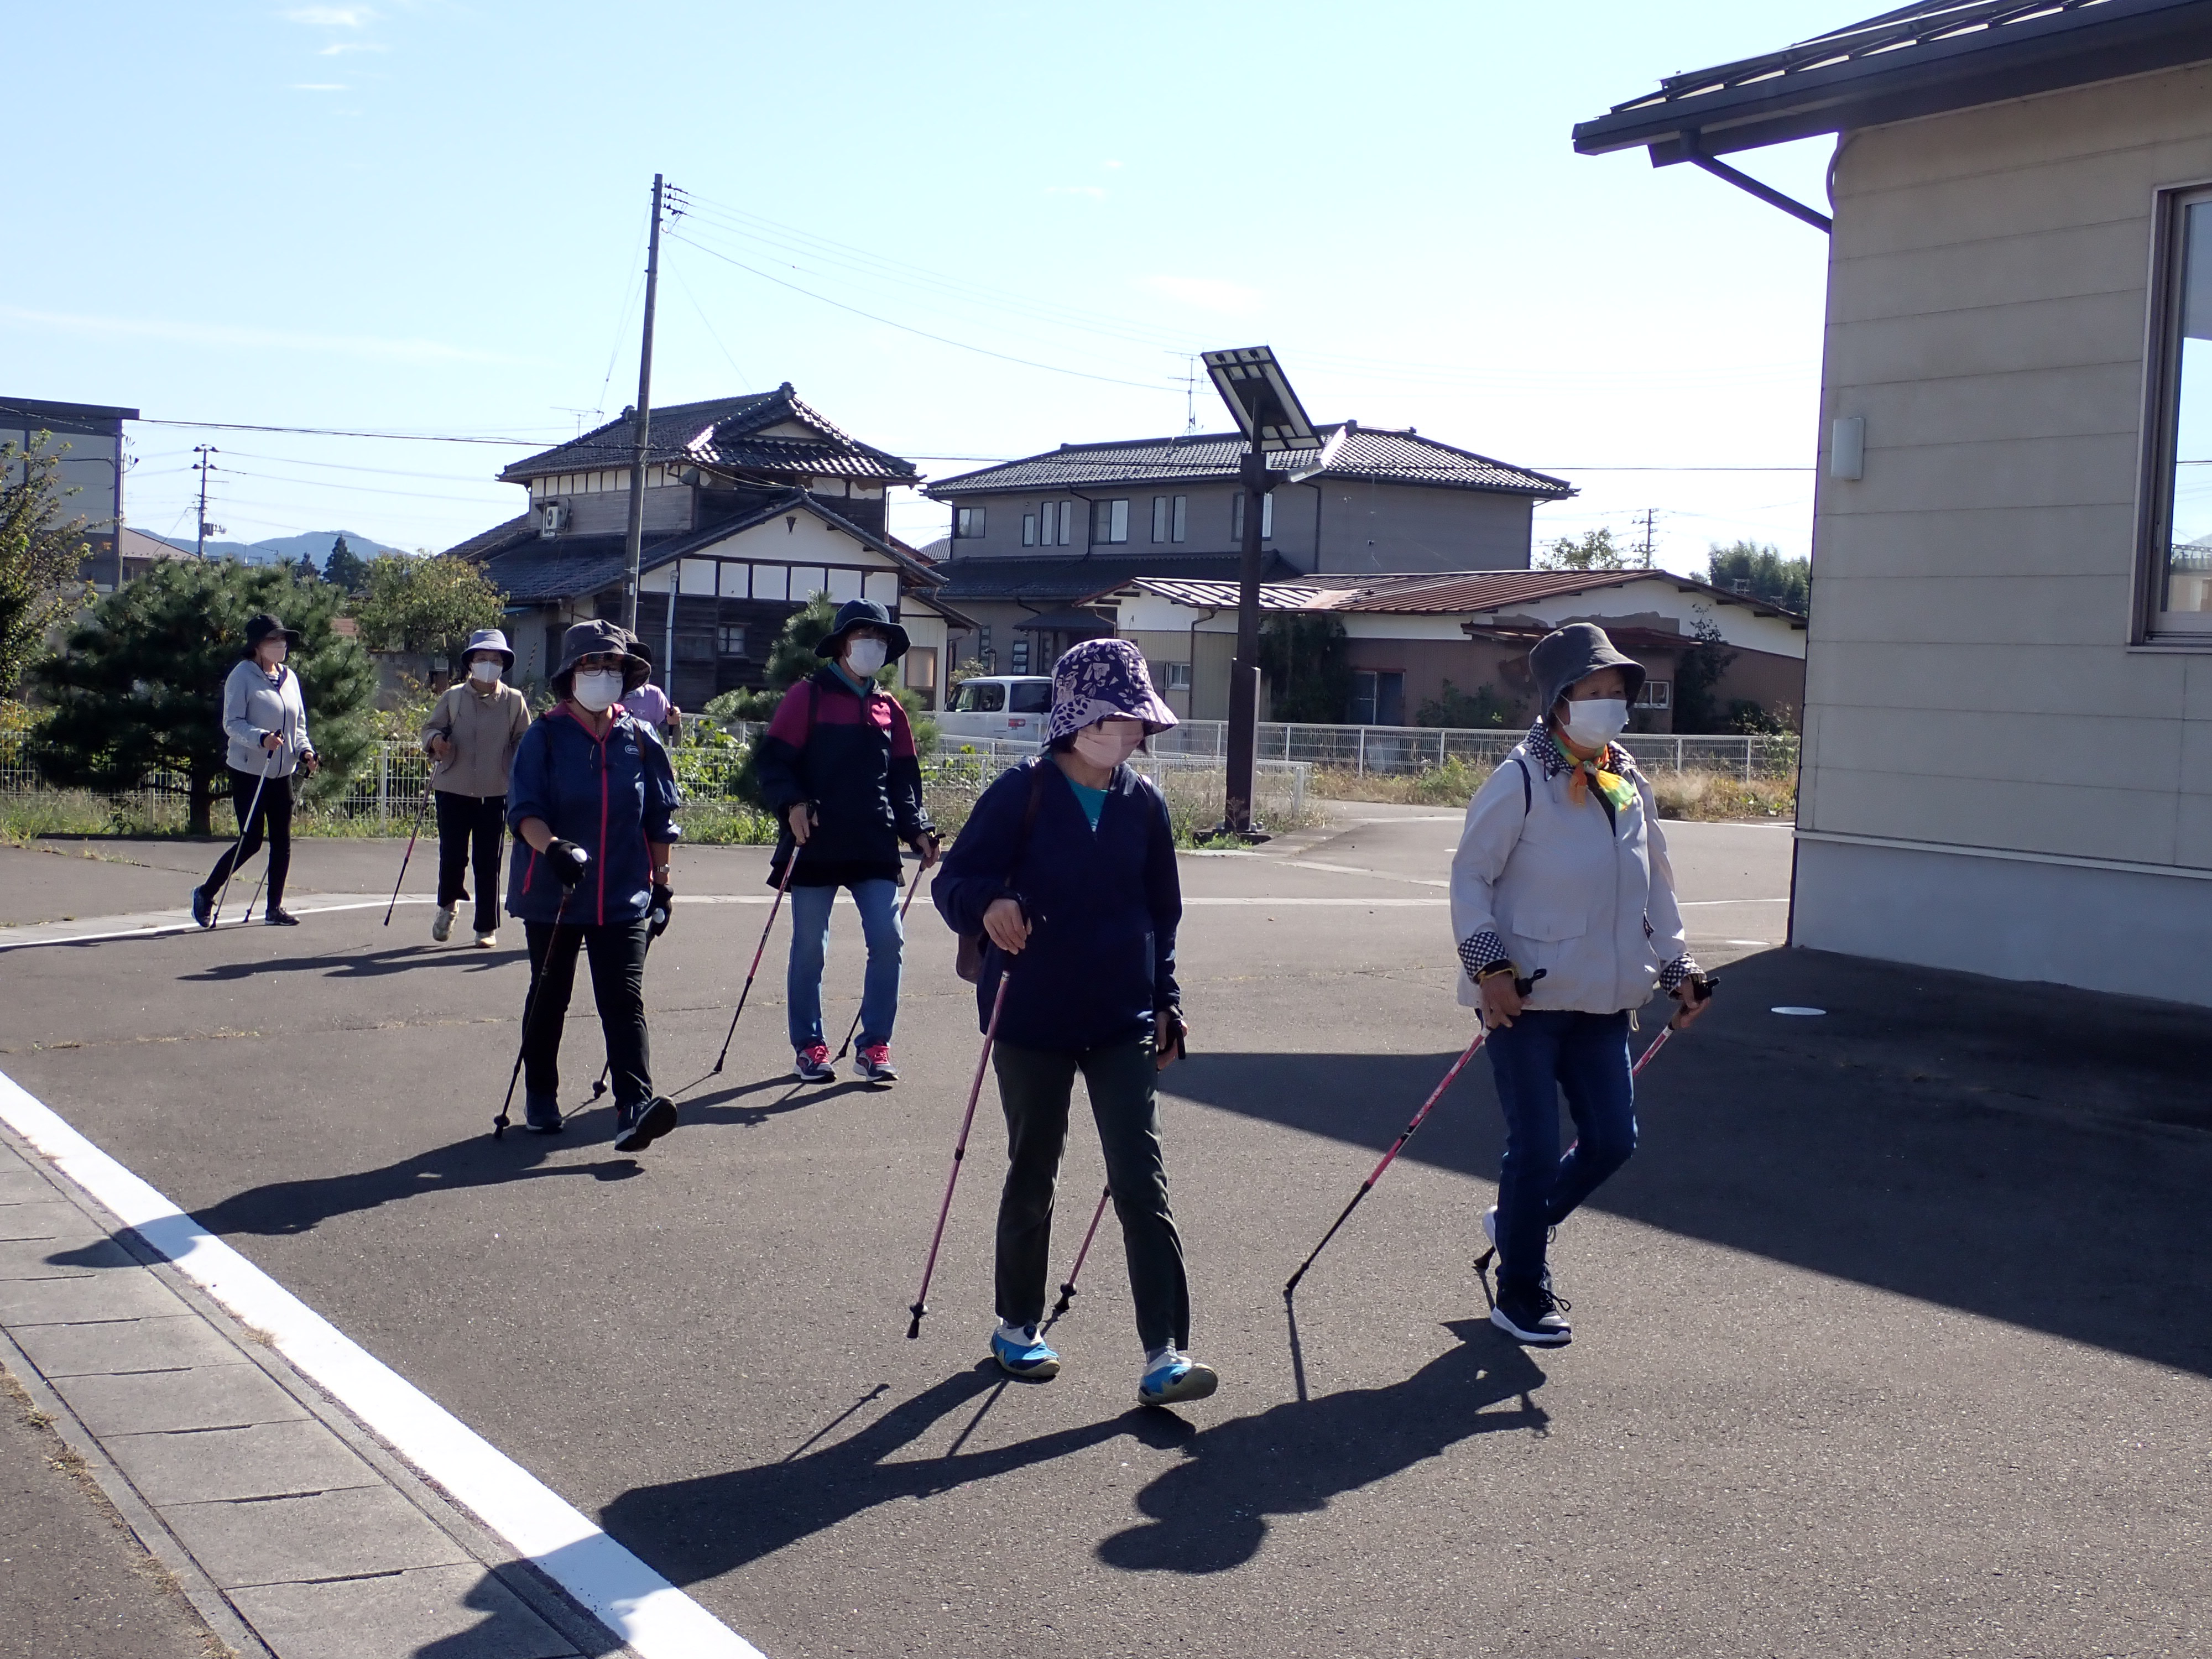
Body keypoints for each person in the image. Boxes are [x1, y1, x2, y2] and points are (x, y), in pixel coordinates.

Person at [931, 638, 1212, 1408]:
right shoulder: (1019, 792)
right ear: (1075, 721)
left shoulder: (1144, 805)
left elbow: (1163, 915)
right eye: (1110, 721)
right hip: (1028, 1015)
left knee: (1140, 1181)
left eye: (1133, 723)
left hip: (1122, 1016)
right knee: (1034, 1169)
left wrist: (1167, 1001)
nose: (1123, 737)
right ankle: (1016, 1325)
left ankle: (1167, 1353)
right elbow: (956, 881)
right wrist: (988, 905)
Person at [1449, 622, 1715, 1349]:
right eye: (1592, 693)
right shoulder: (1520, 781)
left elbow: (1654, 882)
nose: (1608, 706)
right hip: (1525, 999)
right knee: (1533, 1148)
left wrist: (1680, 966)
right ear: (1558, 702)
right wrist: (1487, 966)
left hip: (1604, 998)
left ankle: (1517, 1225)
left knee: (1611, 1142)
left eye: (1616, 694)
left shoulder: (1627, 782)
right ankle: (1521, 1290)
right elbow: (1470, 876)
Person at [503, 620, 682, 1151]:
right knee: (550, 994)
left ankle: (634, 1106)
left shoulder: (641, 738)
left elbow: (659, 817)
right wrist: (553, 847)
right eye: (592, 665)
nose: (604, 675)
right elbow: (524, 811)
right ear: (571, 675)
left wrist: (663, 885)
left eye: (613, 667)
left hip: (624, 891)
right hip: (553, 890)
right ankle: (541, 1094)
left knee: (624, 999)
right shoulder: (545, 736)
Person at [754, 598, 938, 1086]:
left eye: (881, 639)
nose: (873, 647)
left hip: (874, 842)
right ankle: (810, 1047)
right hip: (814, 839)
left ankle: (875, 1044)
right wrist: (792, 803)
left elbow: (904, 783)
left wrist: (917, 828)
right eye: (863, 637)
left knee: (889, 939)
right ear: (841, 645)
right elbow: (773, 764)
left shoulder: (890, 710)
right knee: (810, 947)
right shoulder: (806, 696)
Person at [192, 613, 319, 928]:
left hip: (281, 771)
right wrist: (261, 739)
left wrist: (305, 751)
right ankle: (206, 893)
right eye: (273, 640)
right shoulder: (242, 676)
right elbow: (232, 724)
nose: (281, 645)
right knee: (251, 841)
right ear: (257, 646)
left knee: (282, 840)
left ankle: (274, 908)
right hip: (250, 769)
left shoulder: (290, 678)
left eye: (283, 639)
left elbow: (298, 724)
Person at [421, 628, 530, 948]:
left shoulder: (514, 701)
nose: (488, 664)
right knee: (452, 856)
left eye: (494, 660)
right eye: (481, 658)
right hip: (451, 787)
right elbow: (429, 728)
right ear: (470, 663)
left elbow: (526, 741)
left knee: (488, 861)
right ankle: (447, 907)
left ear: (503, 665)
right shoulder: (453, 697)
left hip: (495, 792)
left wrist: (516, 768)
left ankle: (486, 927)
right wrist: (436, 741)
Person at [621, 679, 684, 743]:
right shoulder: (611, 694)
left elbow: (673, 741)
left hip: (644, 751)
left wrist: (675, 724)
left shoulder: (654, 694)